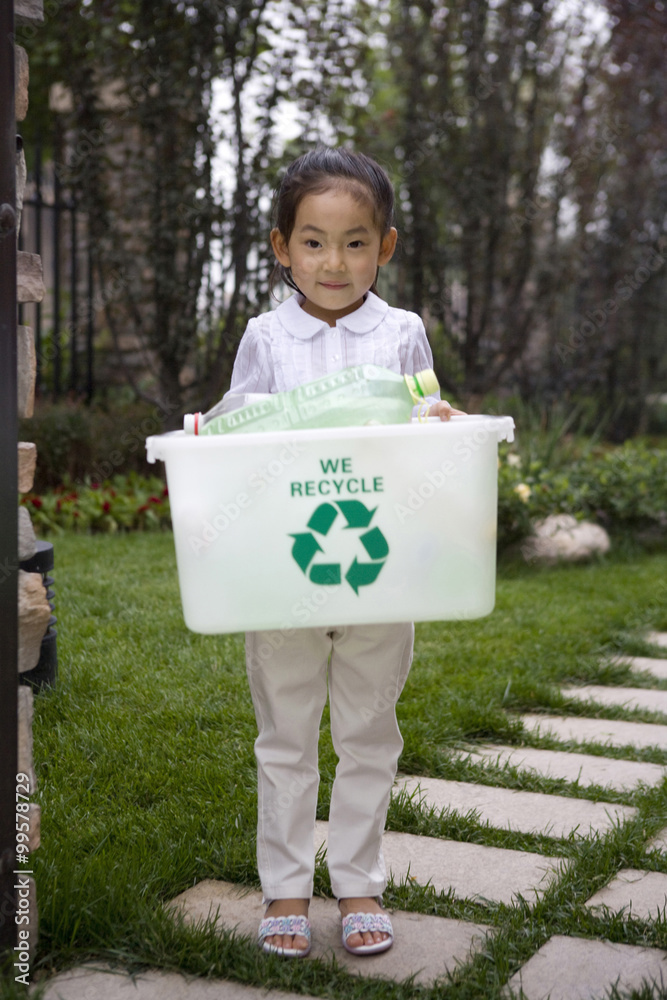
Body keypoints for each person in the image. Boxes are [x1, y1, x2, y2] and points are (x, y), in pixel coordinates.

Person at [226, 146, 462, 959]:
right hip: (285, 572)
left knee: (369, 731)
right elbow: (233, 435)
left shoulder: (402, 333)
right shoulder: (265, 336)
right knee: (285, 735)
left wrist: (438, 422)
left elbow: (428, 418)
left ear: (384, 247)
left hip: (378, 569)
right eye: (315, 241)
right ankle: (286, 888)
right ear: (281, 247)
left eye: (355, 241)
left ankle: (357, 880)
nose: (334, 262)